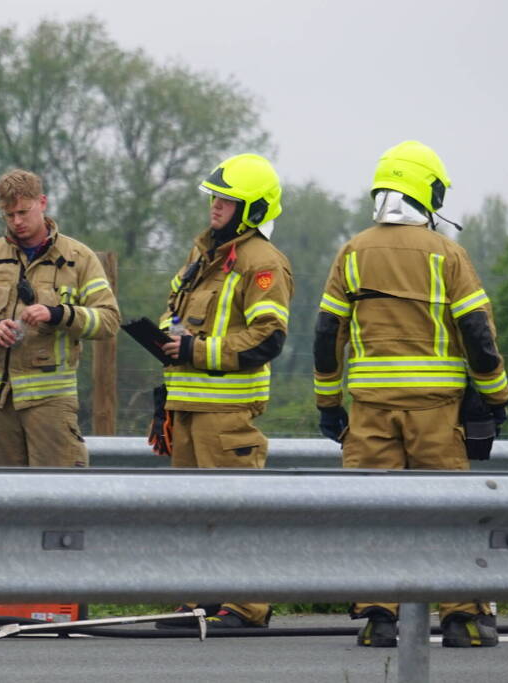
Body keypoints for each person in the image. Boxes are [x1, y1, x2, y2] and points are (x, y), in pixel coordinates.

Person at [313, 140, 508, 648]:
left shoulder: (352, 251)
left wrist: (329, 405)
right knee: (448, 516)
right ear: (429, 192)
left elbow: (327, 333)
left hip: (369, 414)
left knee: (376, 513)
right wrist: (496, 396)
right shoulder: (448, 254)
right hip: (437, 414)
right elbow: (477, 334)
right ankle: (462, 620)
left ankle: (379, 618)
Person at [155, 154, 293, 630]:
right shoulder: (203, 255)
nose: (215, 205)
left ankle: (247, 606)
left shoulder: (262, 262)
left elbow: (267, 338)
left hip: (227, 411)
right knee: (191, 514)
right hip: (187, 405)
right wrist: (167, 356)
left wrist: (194, 350)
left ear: (252, 209)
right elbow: (174, 315)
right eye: (214, 197)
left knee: (236, 511)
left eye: (227, 200)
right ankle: (200, 601)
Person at [0, 168, 119, 467]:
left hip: (51, 404)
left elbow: (108, 319)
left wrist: (58, 314)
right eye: (9, 214)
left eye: (23, 212)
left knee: (57, 492)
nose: (17, 221)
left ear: (42, 202)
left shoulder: (78, 258)